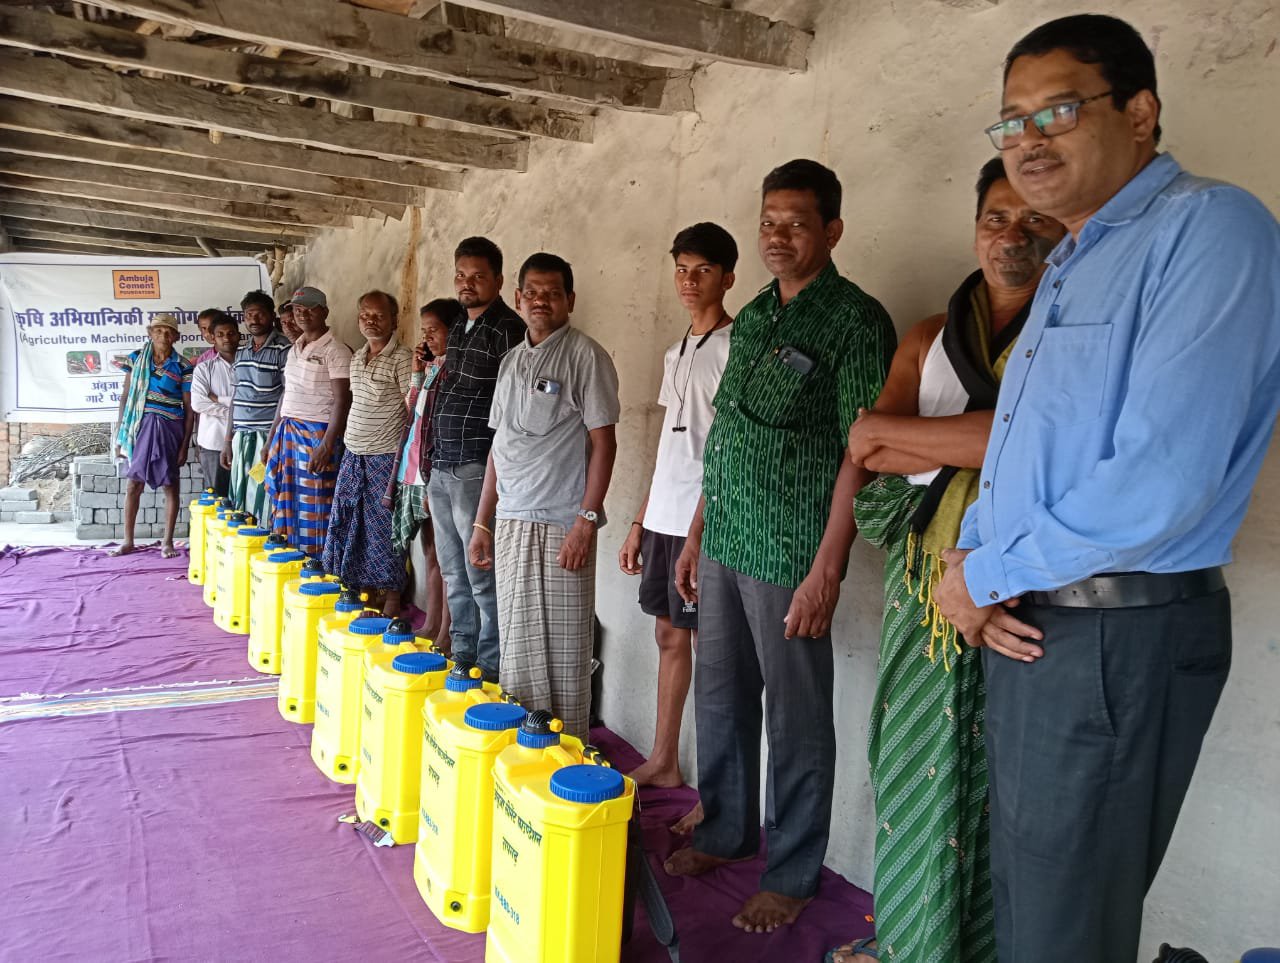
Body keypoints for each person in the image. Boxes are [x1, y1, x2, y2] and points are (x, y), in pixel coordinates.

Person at [931, 16, 1280, 963]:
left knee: (1064, 925)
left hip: (1115, 631)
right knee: (1029, 899)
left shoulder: (1210, 228)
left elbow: (1160, 480)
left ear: (1140, 111)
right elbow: (1028, 448)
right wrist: (974, 565)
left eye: (1058, 110)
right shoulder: (1073, 260)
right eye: (1011, 121)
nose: (1028, 140)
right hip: (1037, 617)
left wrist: (983, 572)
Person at [828, 161, 1066, 963]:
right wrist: (990, 438)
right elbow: (865, 448)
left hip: (1021, 593)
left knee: (995, 784)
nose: (1013, 236)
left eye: (1035, 221)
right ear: (975, 230)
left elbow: (1043, 443)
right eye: (998, 217)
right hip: (924, 587)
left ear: (1065, 232)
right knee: (907, 761)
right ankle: (907, 942)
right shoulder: (929, 337)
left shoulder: (1067, 335)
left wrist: (913, 440)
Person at [664, 160, 896, 934]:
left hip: (792, 550)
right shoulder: (758, 314)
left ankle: (793, 870)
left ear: (832, 230)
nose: (778, 236)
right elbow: (727, 433)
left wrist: (827, 569)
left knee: (795, 719)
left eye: (797, 223)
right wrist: (697, 534)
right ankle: (727, 828)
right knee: (720, 695)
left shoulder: (856, 321)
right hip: (727, 537)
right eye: (769, 221)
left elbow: (862, 449)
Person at [468, 253, 619, 739]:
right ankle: (527, 748)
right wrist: (483, 522)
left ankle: (567, 752)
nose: (541, 301)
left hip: (561, 524)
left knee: (565, 649)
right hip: (511, 521)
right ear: (517, 298)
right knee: (517, 645)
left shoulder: (586, 356)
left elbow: (604, 443)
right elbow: (500, 446)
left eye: (552, 293)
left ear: (569, 300)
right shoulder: (511, 361)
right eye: (532, 293)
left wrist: (585, 522)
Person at [617, 222, 737, 793]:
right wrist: (639, 522)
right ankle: (664, 760)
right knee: (668, 637)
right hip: (663, 517)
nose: (690, 281)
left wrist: (697, 528)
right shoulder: (675, 351)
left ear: (728, 278)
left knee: (713, 650)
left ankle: (715, 789)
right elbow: (672, 442)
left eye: (703, 270)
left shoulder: (736, 349)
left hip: (704, 522)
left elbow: (726, 451)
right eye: (682, 270)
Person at [429, 237, 526, 680]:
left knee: (481, 573)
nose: (467, 284)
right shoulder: (458, 326)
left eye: (478, 276)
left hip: (476, 466)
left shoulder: (507, 329)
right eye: (461, 276)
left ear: (499, 281)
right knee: (453, 570)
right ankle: (463, 653)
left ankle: (490, 664)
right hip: (442, 464)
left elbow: (508, 408)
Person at [322, 291, 413, 614]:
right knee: (351, 523)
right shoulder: (358, 357)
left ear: (394, 320)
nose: (371, 321)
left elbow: (412, 409)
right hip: (354, 454)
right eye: (365, 315)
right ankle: (364, 590)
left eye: (379, 316)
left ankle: (392, 596)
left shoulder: (403, 358)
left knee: (383, 528)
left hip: (386, 457)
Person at [389, 298, 464, 646]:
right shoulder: (434, 368)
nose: (428, 337)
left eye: (435, 330)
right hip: (416, 472)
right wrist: (418, 371)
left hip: (436, 473)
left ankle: (447, 630)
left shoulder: (456, 371)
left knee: (449, 559)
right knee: (431, 552)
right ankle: (432, 622)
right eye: (425, 331)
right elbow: (412, 411)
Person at [264, 286, 352, 555]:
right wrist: (271, 438)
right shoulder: (294, 348)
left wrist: (327, 445)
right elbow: (287, 396)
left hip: (317, 434)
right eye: (297, 310)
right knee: (288, 498)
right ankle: (292, 558)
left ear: (324, 312)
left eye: (310, 309)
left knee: (317, 501)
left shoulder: (336, 350)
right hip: (289, 432)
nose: (302, 315)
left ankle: (320, 564)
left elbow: (342, 400)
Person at [110, 313, 194, 558]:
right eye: (158, 330)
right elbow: (126, 397)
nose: (163, 336)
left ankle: (167, 542)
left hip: (170, 428)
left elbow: (189, 408)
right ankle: (128, 541)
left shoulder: (183, 365)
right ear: (150, 333)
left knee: (170, 484)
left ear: (176, 337)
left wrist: (184, 445)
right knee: (133, 483)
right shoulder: (136, 359)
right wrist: (120, 434)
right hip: (139, 428)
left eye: (168, 332)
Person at [222, 291, 290, 524]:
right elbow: (235, 397)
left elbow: (286, 395)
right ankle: (245, 541)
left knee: (264, 495)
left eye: (259, 314)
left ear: (271, 316)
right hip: (241, 436)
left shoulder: (283, 349)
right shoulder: (241, 352)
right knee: (241, 495)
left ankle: (265, 540)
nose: (254, 320)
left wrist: (271, 440)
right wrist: (227, 439)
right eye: (249, 315)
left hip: (266, 435)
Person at [190, 311, 241, 498]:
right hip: (214, 443)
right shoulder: (204, 368)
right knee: (217, 498)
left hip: (246, 441)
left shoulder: (250, 365)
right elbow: (198, 403)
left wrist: (218, 398)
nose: (226, 338)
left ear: (239, 335)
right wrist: (236, 411)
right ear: (213, 338)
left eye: (230, 333)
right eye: (220, 334)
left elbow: (257, 398)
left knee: (246, 498)